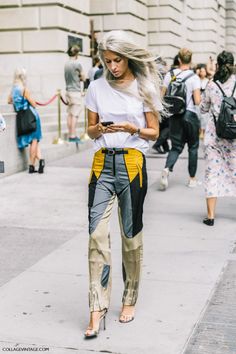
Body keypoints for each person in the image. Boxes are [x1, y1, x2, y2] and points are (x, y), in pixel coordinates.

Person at [84, 30, 162, 339]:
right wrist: (98, 128)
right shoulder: (96, 87)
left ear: (127, 57)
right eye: (107, 60)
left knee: (131, 236)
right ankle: (96, 308)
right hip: (102, 163)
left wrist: (135, 128)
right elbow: (89, 131)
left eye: (117, 60)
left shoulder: (144, 87)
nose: (112, 66)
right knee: (95, 236)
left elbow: (154, 132)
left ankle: (129, 299)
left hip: (132, 164)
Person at [200, 50, 236, 226]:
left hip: (215, 137)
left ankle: (211, 216)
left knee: (212, 173)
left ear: (218, 65)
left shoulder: (211, 85)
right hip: (234, 138)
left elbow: (203, 109)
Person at [159, 48, 201, 190]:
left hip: (175, 116)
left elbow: (162, 95)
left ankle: (167, 168)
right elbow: (197, 101)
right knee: (193, 147)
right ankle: (192, 179)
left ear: (179, 59)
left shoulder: (170, 75)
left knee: (176, 147)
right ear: (190, 60)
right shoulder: (194, 77)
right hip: (190, 115)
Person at [8, 67, 45, 174]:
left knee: (33, 141)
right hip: (31, 117)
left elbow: (9, 101)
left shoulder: (13, 90)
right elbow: (33, 104)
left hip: (21, 118)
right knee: (34, 141)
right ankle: (32, 165)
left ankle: (40, 161)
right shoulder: (24, 89)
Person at [64, 45, 85, 142]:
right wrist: (80, 78)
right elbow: (83, 77)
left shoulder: (66, 64)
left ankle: (70, 134)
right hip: (75, 91)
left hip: (68, 91)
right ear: (76, 53)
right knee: (75, 114)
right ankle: (72, 135)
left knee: (70, 114)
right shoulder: (77, 64)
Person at [196, 64, 209, 139]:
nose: (203, 73)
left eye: (204, 71)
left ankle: (202, 131)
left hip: (205, 100)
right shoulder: (197, 80)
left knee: (204, 117)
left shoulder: (207, 81)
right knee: (198, 116)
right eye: (201, 71)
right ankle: (198, 130)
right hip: (198, 99)